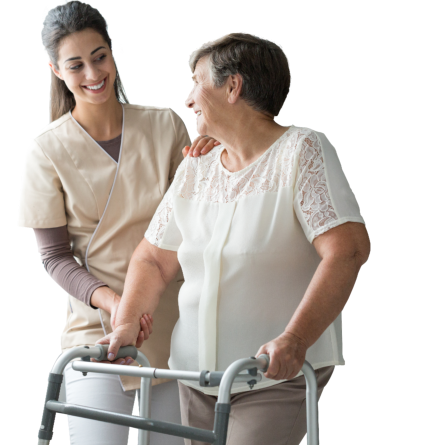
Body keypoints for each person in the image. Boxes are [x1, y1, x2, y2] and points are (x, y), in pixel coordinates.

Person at [98, 31, 371, 445]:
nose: (188, 100)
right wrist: (127, 324)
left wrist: (294, 340)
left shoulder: (302, 151)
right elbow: (153, 259)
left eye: (195, 83)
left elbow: (348, 249)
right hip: (195, 378)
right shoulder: (198, 165)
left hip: (273, 377)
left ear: (232, 86)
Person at [17, 2, 219, 445]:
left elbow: (199, 222)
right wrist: (114, 302)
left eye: (99, 56)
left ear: (113, 52)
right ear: (55, 69)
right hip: (96, 332)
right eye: (76, 64)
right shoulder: (44, 150)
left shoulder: (165, 126)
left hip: (171, 331)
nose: (92, 73)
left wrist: (215, 159)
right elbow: (53, 257)